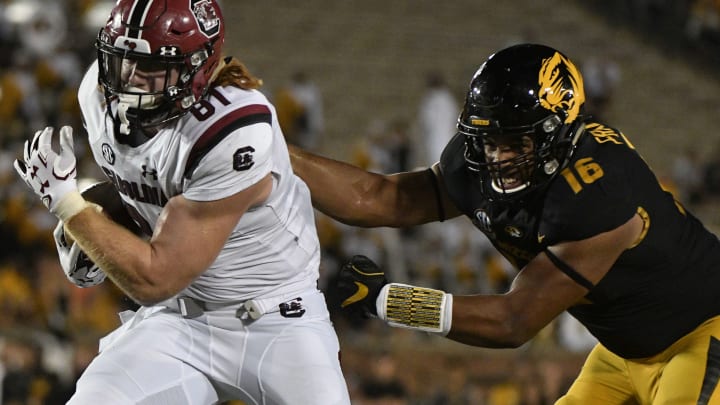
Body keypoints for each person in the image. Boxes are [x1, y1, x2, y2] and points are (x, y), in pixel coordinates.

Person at [288, 43, 720, 404]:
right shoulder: (482, 160)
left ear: (558, 131)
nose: (498, 156)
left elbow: (514, 321)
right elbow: (381, 199)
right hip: (624, 352)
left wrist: (391, 301)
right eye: (490, 140)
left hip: (699, 336)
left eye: (515, 141)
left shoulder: (600, 191)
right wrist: (275, 151)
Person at [13, 0, 350, 404]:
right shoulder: (98, 96)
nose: (132, 77)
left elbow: (156, 278)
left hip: (278, 323)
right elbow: (141, 189)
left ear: (197, 70)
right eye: (125, 59)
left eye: (153, 67)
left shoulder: (233, 128)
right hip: (179, 323)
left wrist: (69, 206)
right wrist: (94, 218)